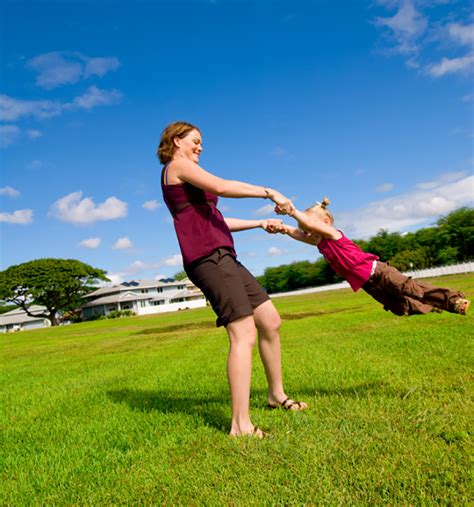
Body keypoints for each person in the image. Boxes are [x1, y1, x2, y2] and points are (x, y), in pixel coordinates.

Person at [157, 121, 307, 438]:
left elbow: (217, 218)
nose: (200, 146)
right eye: (195, 141)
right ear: (176, 140)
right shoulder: (178, 166)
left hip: (223, 254)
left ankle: (275, 395)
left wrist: (258, 224)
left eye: (202, 142)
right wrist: (269, 192)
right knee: (242, 332)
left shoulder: (188, 176)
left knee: (269, 319)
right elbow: (223, 186)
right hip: (207, 258)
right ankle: (240, 425)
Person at [276, 197, 470, 316]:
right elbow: (301, 234)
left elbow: (308, 228)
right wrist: (283, 228)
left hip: (379, 272)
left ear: (325, 222)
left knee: (410, 288)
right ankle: (435, 304)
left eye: (309, 228)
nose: (308, 233)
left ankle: (453, 300)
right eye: (306, 231)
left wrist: (292, 211)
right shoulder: (319, 243)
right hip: (368, 284)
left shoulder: (333, 234)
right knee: (400, 307)